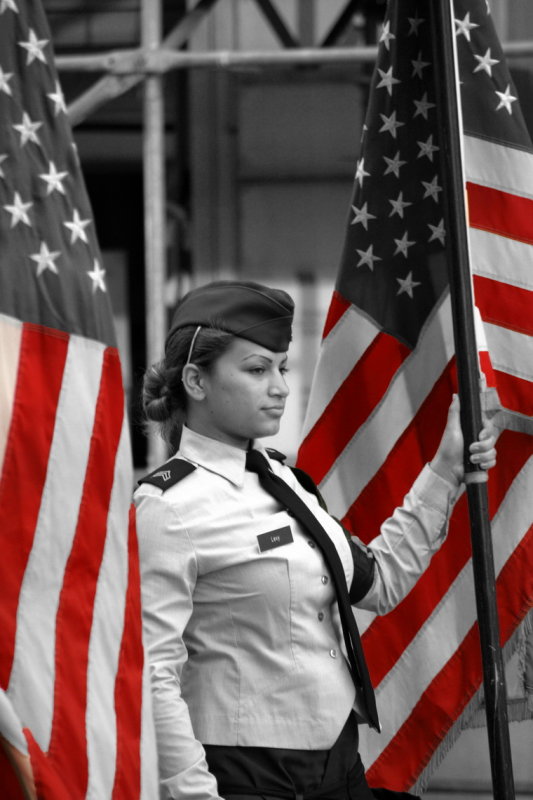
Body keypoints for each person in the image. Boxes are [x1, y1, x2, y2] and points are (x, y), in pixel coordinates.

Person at [134, 280, 497, 800]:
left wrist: (445, 469)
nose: (280, 386)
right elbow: (153, 676)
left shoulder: (284, 481)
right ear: (195, 380)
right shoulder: (167, 506)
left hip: (340, 765)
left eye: (281, 367)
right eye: (257, 370)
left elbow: (379, 580)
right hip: (247, 776)